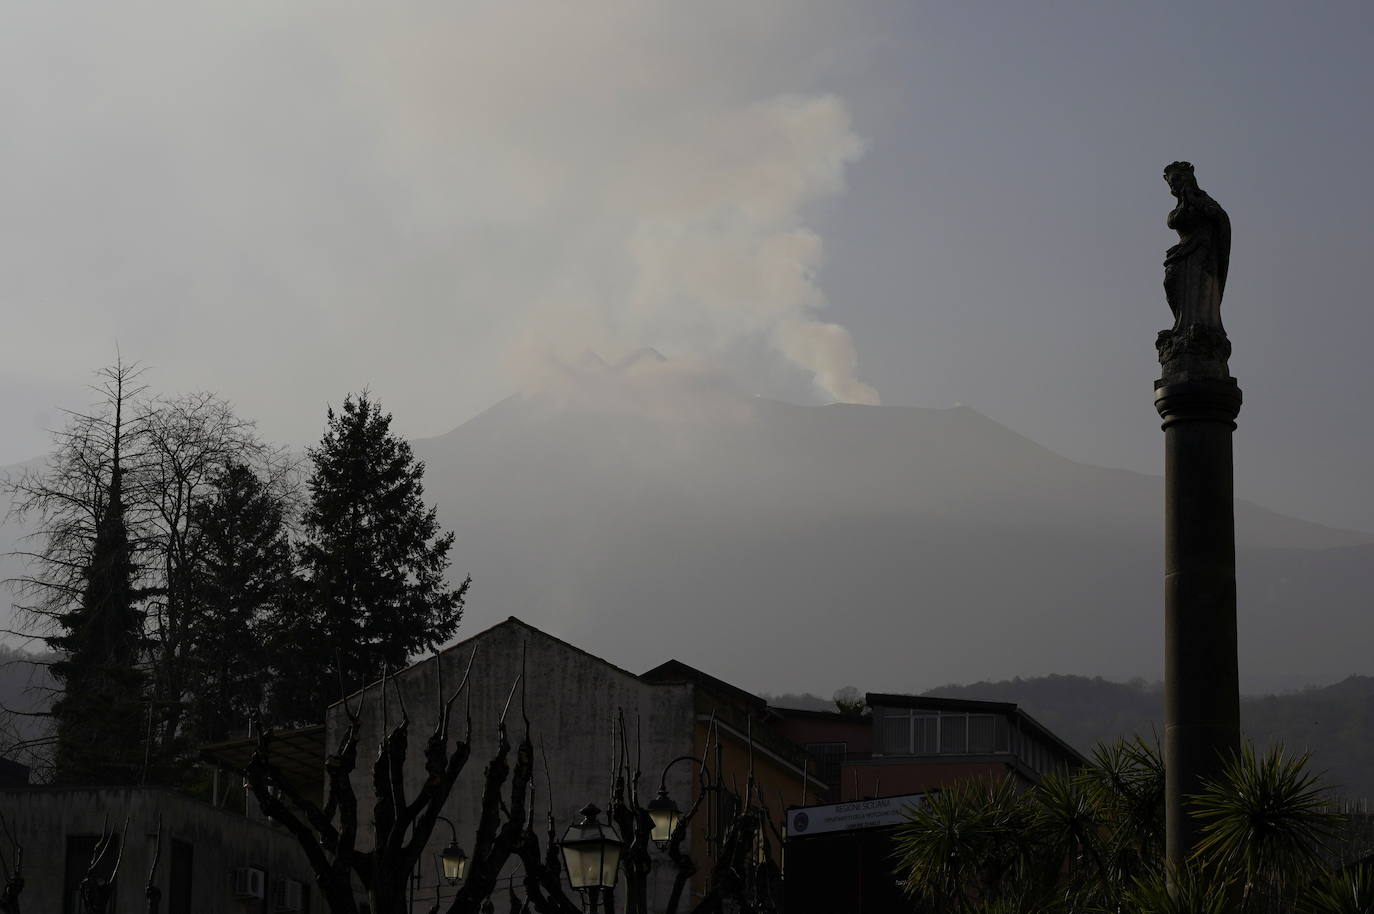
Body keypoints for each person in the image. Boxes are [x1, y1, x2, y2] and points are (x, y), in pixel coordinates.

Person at [1163, 161, 1230, 331]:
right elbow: (1172, 221)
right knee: (1170, 282)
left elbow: (1220, 217)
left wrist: (1194, 201)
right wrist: (1186, 203)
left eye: (1177, 180)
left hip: (1203, 251)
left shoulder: (1203, 200)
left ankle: (1201, 325)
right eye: (1171, 183)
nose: (1174, 186)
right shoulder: (1180, 208)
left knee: (1201, 287)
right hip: (1181, 253)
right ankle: (1181, 325)